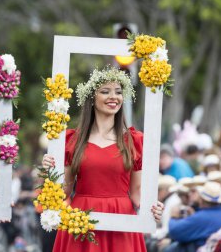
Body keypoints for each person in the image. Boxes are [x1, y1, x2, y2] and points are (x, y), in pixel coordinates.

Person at [42, 67, 164, 252]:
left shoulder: (134, 141)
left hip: (122, 220)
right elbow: (64, 191)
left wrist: (152, 209)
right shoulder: (72, 140)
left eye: (118, 92)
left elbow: (137, 193)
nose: (113, 97)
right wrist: (50, 171)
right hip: (81, 219)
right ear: (92, 98)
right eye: (105, 91)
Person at [165, 181, 221, 252]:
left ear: (201, 198)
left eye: (193, 191)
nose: (189, 194)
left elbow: (175, 231)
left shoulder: (202, 217)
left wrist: (174, 217)